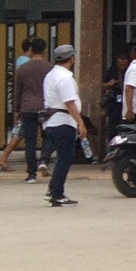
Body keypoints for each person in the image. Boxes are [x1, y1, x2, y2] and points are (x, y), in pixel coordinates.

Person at [41, 45, 87, 208]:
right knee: (66, 157)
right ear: (72, 59)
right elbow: (69, 102)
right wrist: (81, 123)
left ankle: (53, 189)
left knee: (62, 156)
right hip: (63, 121)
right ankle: (57, 194)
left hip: (52, 122)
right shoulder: (65, 78)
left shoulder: (51, 75)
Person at [1, 38, 51, 181]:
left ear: (31, 50)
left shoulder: (23, 69)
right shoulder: (50, 68)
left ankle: (31, 174)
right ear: (44, 51)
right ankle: (44, 161)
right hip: (45, 108)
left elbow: (18, 91)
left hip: (27, 108)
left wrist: (17, 110)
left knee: (30, 142)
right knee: (48, 137)